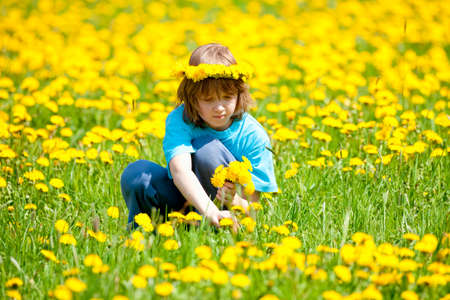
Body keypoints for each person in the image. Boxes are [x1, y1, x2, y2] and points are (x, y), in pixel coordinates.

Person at [120, 43, 278, 228]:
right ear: (192, 98)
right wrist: (208, 209)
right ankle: (144, 234)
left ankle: (217, 228)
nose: (219, 107)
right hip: (185, 198)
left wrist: (234, 201)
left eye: (227, 97)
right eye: (208, 99)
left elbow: (254, 208)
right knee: (137, 173)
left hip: (226, 212)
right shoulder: (180, 119)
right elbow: (180, 170)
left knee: (207, 149)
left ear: (239, 93)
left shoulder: (253, 135)